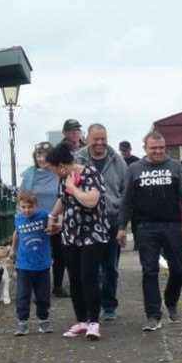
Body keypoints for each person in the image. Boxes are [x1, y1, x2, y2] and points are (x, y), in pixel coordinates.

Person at [117, 131, 182, 331]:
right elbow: (127, 201)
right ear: (145, 148)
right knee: (150, 271)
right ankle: (153, 315)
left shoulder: (175, 166)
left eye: (161, 148)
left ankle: (171, 301)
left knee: (179, 269)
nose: (158, 152)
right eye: (154, 148)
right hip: (145, 227)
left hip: (172, 225)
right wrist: (121, 227)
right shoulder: (134, 169)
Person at [45, 142, 111, 340]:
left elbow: (91, 201)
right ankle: (81, 320)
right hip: (70, 233)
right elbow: (62, 199)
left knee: (88, 276)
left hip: (92, 233)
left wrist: (73, 188)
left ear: (62, 165)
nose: (54, 173)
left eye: (54, 168)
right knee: (74, 278)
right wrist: (53, 217)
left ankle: (93, 322)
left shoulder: (91, 174)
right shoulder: (64, 179)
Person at [77, 124, 130, 321]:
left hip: (111, 220)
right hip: (87, 222)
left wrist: (123, 221)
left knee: (110, 267)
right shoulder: (78, 158)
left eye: (103, 139)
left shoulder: (117, 161)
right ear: (88, 138)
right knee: (91, 268)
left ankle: (109, 305)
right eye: (96, 139)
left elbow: (126, 190)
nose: (100, 143)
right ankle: (93, 306)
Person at [20, 141, 68, 297]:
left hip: (57, 218)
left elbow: (65, 195)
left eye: (45, 155)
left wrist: (60, 216)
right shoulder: (29, 174)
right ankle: (41, 288)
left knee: (59, 253)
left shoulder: (58, 172)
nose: (41, 158)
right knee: (39, 252)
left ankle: (58, 286)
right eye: (38, 155)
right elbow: (22, 196)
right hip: (36, 220)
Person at [9, 191, 52, 336]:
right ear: (19, 207)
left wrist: (53, 227)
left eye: (30, 207)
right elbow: (17, 233)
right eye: (23, 207)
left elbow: (55, 223)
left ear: (36, 206)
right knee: (22, 294)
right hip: (24, 265)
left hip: (42, 264)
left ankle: (44, 320)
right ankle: (22, 322)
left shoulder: (44, 216)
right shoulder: (18, 218)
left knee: (43, 295)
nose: (27, 210)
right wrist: (13, 249)